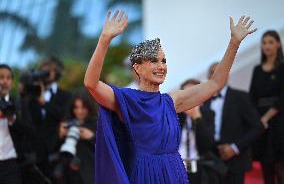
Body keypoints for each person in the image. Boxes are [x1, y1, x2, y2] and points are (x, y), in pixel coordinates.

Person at [84, 10, 257, 184]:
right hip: (144, 176)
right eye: (154, 61)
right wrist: (105, 39)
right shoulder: (126, 99)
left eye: (164, 61)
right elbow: (91, 84)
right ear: (137, 68)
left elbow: (215, 84)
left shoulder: (171, 101)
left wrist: (234, 43)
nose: (161, 66)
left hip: (174, 173)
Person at [201, 62, 263, 184]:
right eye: (211, 73)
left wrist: (235, 148)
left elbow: (257, 127)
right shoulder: (203, 101)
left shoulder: (241, 97)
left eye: (218, 72)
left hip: (236, 160)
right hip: (211, 160)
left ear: (227, 75)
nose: (214, 76)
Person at [249, 30, 284, 184]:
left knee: (280, 165)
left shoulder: (283, 67)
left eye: (270, 42)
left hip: (279, 120)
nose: (267, 46)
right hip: (261, 123)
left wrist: (265, 118)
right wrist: (257, 120)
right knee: (265, 165)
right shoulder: (257, 70)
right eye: (264, 43)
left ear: (278, 44)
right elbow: (252, 97)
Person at [178, 79, 226, 184]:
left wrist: (197, 118)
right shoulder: (175, 114)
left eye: (193, 94)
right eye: (186, 94)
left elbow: (208, 144)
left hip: (199, 167)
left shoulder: (208, 114)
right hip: (176, 167)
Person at [55, 88, 97, 184]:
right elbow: (54, 150)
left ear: (90, 106)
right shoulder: (67, 123)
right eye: (76, 107)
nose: (79, 111)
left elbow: (108, 150)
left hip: (91, 174)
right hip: (71, 175)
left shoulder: (98, 123)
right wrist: (60, 136)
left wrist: (91, 137)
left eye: (83, 107)